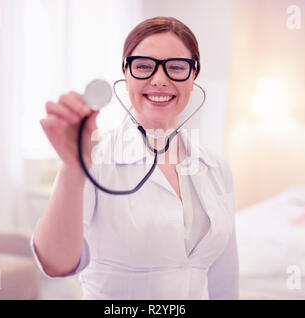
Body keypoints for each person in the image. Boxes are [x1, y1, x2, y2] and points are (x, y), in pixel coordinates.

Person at [31, 16, 239, 300]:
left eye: (177, 67)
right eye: (143, 66)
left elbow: (223, 278)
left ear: (193, 76)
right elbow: (55, 264)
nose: (160, 80)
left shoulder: (216, 168)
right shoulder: (95, 157)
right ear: (126, 73)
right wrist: (72, 167)